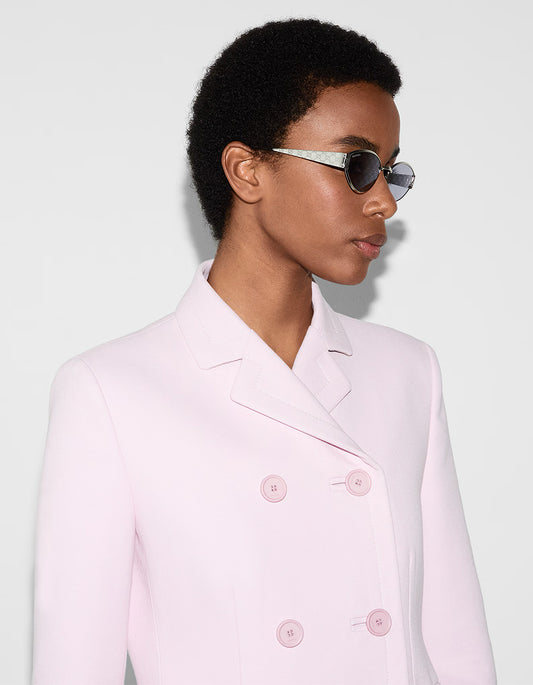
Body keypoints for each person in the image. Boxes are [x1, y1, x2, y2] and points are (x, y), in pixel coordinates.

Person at [30, 18, 497, 685]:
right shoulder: (111, 391)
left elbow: (455, 644)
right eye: (357, 166)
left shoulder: (407, 372)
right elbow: (75, 665)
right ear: (247, 170)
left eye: (391, 171)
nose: (384, 203)